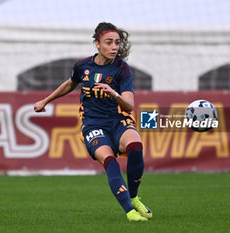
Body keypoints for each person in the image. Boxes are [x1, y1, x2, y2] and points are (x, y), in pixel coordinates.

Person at [34, 22, 151, 221]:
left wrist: (114, 94)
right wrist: (46, 100)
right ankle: (130, 212)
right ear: (97, 44)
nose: (114, 47)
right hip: (93, 125)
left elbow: (130, 106)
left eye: (116, 43)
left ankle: (134, 197)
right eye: (109, 42)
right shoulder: (82, 66)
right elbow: (71, 83)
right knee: (109, 161)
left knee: (136, 145)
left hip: (118, 120)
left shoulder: (122, 69)